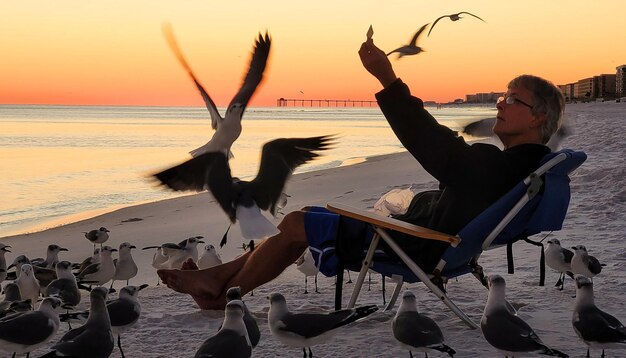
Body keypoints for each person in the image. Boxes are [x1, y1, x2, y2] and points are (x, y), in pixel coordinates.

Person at [157, 38, 565, 310]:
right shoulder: (520, 165)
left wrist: (388, 80)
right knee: (310, 212)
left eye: (512, 100)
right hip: (426, 239)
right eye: (500, 97)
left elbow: (436, 147)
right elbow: (453, 165)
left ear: (539, 117)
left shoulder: (508, 165)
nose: (499, 105)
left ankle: (220, 291)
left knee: (299, 221)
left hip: (417, 245)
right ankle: (216, 283)